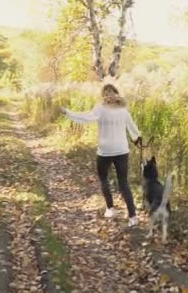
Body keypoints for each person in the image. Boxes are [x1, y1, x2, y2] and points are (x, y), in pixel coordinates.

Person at [60, 84, 141, 227]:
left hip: (108, 152)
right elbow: (133, 128)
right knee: (122, 183)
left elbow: (85, 117)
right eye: (106, 93)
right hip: (119, 151)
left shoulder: (106, 109)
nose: (108, 95)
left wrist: (67, 112)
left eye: (109, 92)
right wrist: (137, 138)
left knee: (108, 180)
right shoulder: (120, 110)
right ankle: (130, 216)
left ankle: (113, 209)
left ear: (114, 94)